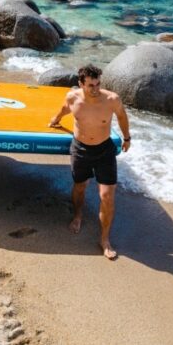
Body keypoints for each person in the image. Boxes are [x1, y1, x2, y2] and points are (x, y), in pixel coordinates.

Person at [48, 64, 131, 260]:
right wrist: (56, 119)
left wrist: (127, 138)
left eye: (98, 84)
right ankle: (78, 215)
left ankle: (105, 239)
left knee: (107, 196)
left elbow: (121, 116)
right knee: (80, 187)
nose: (95, 89)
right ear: (81, 84)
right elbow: (64, 109)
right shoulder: (73, 98)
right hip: (81, 149)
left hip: (104, 150)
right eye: (91, 85)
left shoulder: (112, 99)